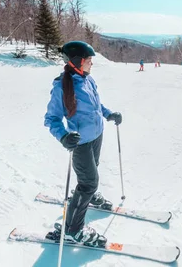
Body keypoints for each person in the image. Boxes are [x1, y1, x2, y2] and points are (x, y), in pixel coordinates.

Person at [44, 40, 123, 247]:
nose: (91, 64)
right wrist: (63, 136)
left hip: (97, 135)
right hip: (80, 143)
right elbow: (51, 119)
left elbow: (96, 106)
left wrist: (108, 114)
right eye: (88, 60)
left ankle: (89, 197)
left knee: (92, 171)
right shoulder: (62, 86)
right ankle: (73, 230)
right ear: (77, 61)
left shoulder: (88, 80)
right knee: (88, 182)